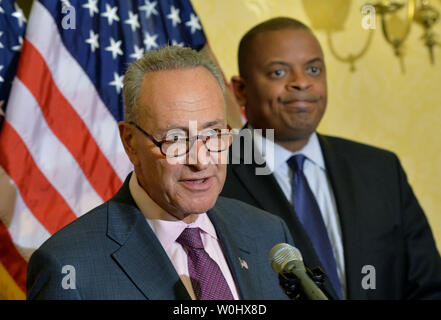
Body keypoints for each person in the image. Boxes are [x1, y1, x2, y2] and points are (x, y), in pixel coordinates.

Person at [26, 46, 295, 300]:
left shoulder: (269, 234)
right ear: (130, 141)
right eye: (176, 139)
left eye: (213, 134)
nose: (200, 161)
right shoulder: (68, 266)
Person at [221, 17, 441, 300]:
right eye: (278, 73)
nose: (301, 82)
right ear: (240, 90)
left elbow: (429, 287)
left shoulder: (380, 170)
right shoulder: (213, 174)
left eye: (313, 69)